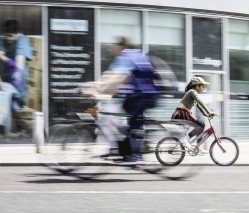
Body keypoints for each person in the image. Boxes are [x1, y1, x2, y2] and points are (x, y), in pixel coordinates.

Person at [82, 36, 160, 164]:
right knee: (112, 115)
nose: (110, 48)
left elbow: (117, 78)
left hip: (142, 96)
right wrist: (96, 87)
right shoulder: (131, 56)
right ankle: (118, 150)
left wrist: (96, 88)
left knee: (132, 123)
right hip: (142, 96)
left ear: (122, 46)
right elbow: (110, 77)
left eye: (113, 45)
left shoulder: (126, 56)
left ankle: (134, 157)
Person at [171, 76, 216, 154]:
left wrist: (206, 114)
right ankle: (186, 139)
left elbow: (199, 106)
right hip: (182, 113)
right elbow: (201, 102)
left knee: (201, 125)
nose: (204, 88)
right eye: (202, 86)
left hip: (185, 113)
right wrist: (209, 111)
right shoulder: (192, 92)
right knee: (201, 124)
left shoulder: (193, 94)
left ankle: (198, 146)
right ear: (197, 86)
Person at [0, 20, 33, 112]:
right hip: (6, 71)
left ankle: (18, 113)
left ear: (17, 34)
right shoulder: (3, 39)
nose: (8, 38)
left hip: (19, 72)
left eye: (11, 36)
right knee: (6, 98)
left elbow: (20, 57)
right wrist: (8, 61)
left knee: (18, 97)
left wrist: (17, 71)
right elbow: (0, 53)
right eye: (7, 35)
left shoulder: (23, 40)